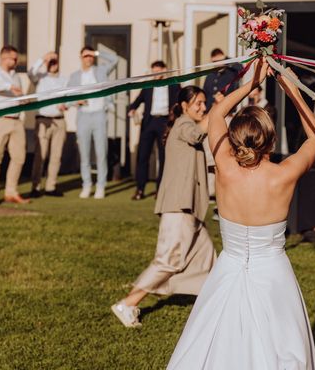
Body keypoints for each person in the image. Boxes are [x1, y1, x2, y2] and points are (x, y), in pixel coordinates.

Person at [166, 59, 315, 370]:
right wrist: (291, 89)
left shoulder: (224, 166)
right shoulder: (284, 174)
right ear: (272, 141)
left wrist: (249, 84)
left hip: (229, 268)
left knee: (214, 343)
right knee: (281, 345)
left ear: (235, 141)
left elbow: (216, 116)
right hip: (273, 274)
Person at [112, 85, 215, 328]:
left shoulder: (184, 124)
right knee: (168, 261)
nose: (203, 107)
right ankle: (127, 304)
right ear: (184, 106)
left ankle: (212, 309)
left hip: (190, 208)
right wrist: (219, 110)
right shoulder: (183, 124)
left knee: (206, 259)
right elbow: (196, 135)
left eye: (204, 102)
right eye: (198, 103)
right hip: (178, 207)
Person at [68, 46, 119, 199]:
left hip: (99, 115)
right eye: (86, 56)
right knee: (84, 154)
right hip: (83, 116)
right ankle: (86, 185)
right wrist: (76, 101)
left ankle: (101, 186)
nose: (89, 58)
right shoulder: (75, 76)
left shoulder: (101, 71)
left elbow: (115, 59)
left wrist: (97, 52)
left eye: (91, 56)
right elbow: (67, 97)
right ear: (81, 57)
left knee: (101, 152)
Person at [0, 45, 29, 206]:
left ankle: (11, 191)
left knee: (19, 157)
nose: (16, 61)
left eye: (17, 59)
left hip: (16, 120)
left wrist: (23, 99)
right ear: (4, 58)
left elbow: (18, 94)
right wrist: (9, 87)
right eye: (13, 59)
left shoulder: (17, 76)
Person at [128, 60, 180, 200]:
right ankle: (140, 189)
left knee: (164, 157)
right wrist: (132, 109)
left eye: (159, 71)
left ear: (165, 69)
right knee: (143, 156)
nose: (156, 74)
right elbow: (137, 101)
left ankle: (160, 190)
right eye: (154, 72)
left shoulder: (174, 84)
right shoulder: (148, 86)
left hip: (165, 123)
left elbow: (179, 104)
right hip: (149, 122)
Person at [28, 52, 68, 198]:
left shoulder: (64, 80)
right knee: (40, 155)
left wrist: (66, 104)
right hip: (43, 120)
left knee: (56, 156)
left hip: (59, 120)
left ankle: (51, 186)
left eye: (55, 61)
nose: (53, 64)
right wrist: (43, 59)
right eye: (50, 62)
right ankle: (36, 186)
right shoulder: (40, 78)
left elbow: (70, 98)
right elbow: (30, 72)